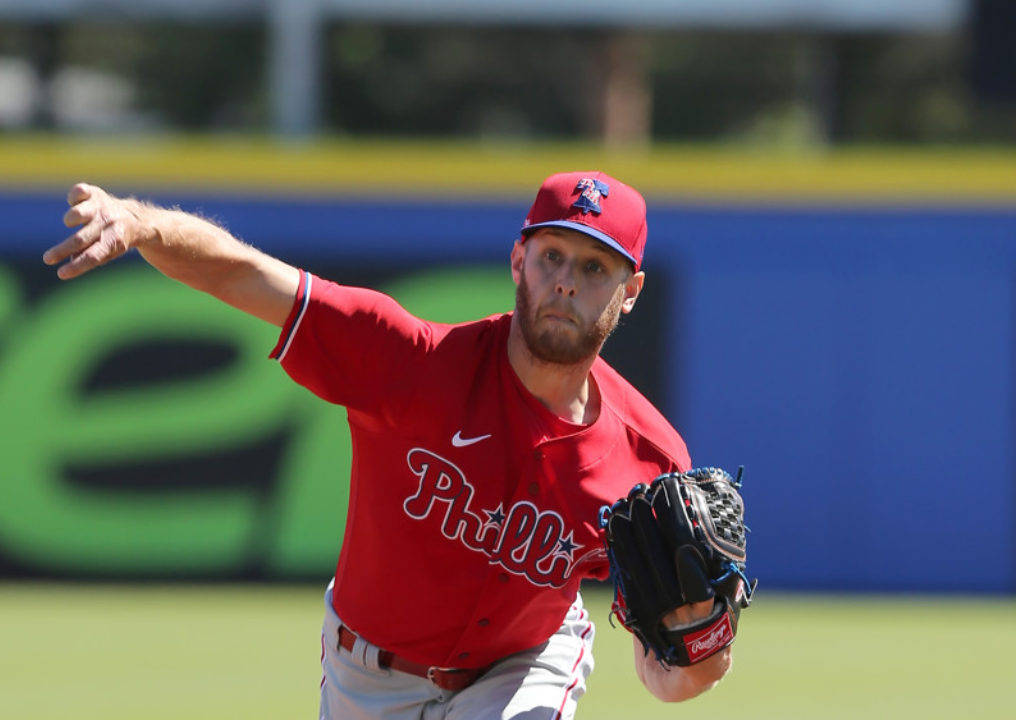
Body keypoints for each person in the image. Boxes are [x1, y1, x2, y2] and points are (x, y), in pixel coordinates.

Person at [43, 171, 732, 718]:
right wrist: (139, 220)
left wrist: (701, 647)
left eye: (594, 268)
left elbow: (666, 681)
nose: (566, 282)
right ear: (518, 259)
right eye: (552, 256)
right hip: (367, 676)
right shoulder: (409, 361)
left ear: (630, 291)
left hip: (523, 668)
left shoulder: (649, 464)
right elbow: (242, 273)